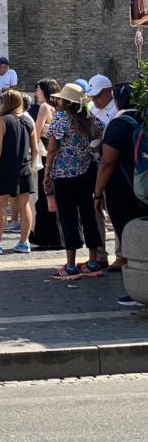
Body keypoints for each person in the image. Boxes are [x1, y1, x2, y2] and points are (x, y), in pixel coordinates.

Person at [94, 82, 148, 301]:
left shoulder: (118, 123)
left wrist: (97, 193)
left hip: (121, 188)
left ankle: (136, 289)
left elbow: (107, 162)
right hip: (142, 184)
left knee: (127, 235)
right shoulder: (142, 119)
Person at [45, 83, 104, 281]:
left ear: (66, 101)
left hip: (63, 174)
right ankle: (93, 260)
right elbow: (100, 132)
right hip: (86, 172)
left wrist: (47, 173)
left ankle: (70, 265)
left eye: (60, 98)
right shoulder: (89, 118)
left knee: (68, 218)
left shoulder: (60, 119)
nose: (57, 100)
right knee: (88, 215)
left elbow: (52, 149)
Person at [0, 90, 38, 255]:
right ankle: (24, 242)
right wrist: (31, 166)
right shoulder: (29, 120)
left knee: (1, 207)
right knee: (24, 205)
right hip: (24, 168)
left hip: (5, 168)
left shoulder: (3, 120)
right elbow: (35, 150)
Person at [29, 79, 63, 249]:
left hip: (45, 156)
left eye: (38, 89)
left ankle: (46, 237)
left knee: (44, 196)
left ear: (45, 91)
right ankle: (58, 236)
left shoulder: (44, 108)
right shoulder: (59, 108)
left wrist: (32, 154)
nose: (36, 93)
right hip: (60, 157)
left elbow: (35, 132)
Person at [88, 73, 117, 268]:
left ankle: (122, 254)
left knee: (116, 210)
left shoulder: (116, 109)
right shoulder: (90, 110)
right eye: (92, 96)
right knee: (95, 210)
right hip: (94, 164)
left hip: (113, 164)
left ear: (109, 92)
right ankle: (100, 253)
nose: (94, 100)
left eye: (98, 95)